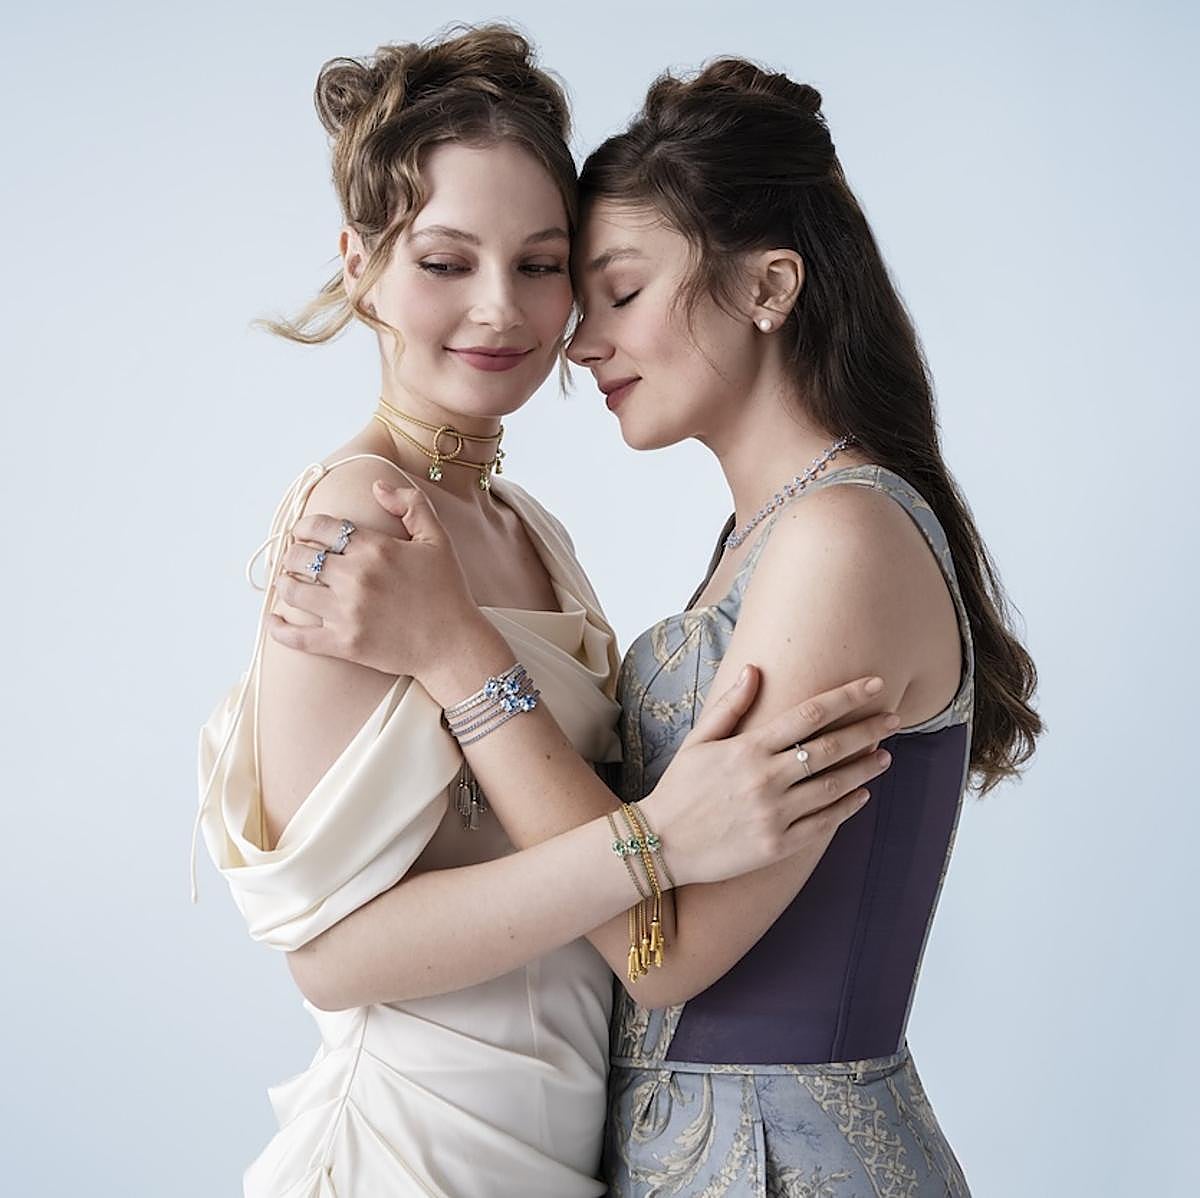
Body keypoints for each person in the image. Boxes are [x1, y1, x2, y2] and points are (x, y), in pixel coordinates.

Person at [275, 54, 1043, 1197]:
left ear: (768, 287)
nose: (580, 341)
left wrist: (459, 652)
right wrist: (659, 832)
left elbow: (665, 950)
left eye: (618, 292)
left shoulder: (840, 537)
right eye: (580, 296)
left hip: (787, 1164)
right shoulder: (767, 536)